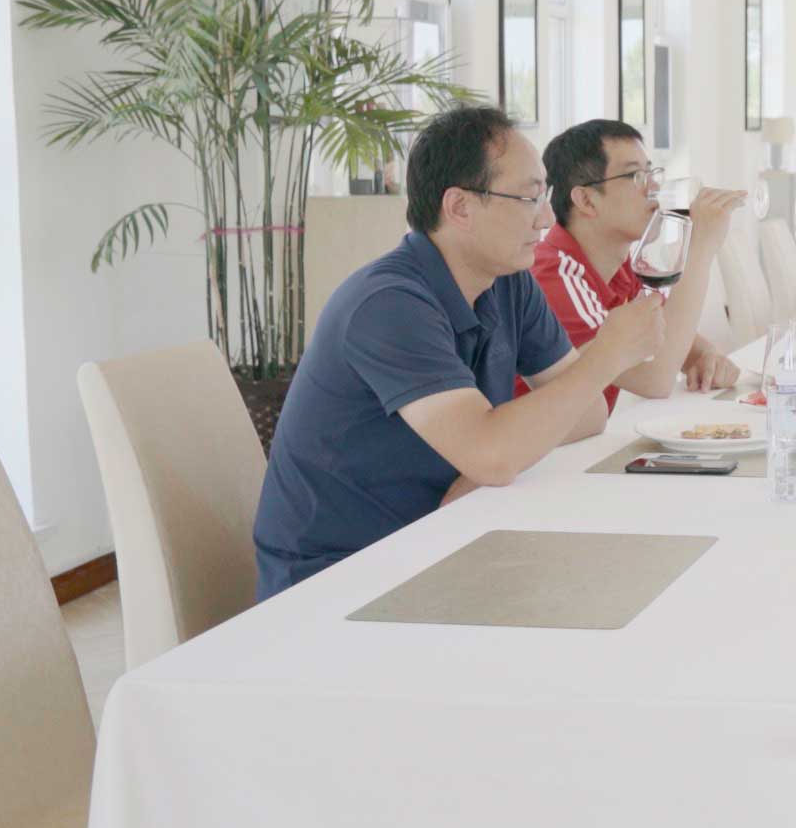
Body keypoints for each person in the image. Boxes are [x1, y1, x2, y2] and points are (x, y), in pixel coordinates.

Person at [251, 106, 700, 597]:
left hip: (447, 539)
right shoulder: (388, 304)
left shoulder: (508, 283)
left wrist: (492, 459)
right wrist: (602, 359)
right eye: (529, 197)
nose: (547, 217)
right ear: (460, 207)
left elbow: (589, 413)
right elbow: (497, 452)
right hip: (342, 579)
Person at [529, 118, 741, 409]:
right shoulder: (556, 276)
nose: (654, 187)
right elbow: (654, 379)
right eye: (634, 176)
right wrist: (701, 248)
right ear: (586, 200)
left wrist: (707, 355)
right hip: (554, 440)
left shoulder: (621, 267)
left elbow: (665, 335)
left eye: (651, 172)